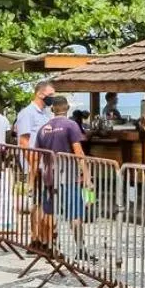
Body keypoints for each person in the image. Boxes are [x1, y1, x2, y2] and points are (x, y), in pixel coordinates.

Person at [31, 95, 94, 259]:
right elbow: (78, 152)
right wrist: (87, 178)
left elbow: (37, 157)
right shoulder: (71, 125)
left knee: (50, 213)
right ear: (67, 108)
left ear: (52, 109)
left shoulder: (43, 129)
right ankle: (81, 249)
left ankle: (52, 247)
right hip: (69, 178)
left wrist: (32, 180)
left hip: (48, 178)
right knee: (75, 216)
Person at [15, 81, 56, 148]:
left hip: (44, 157)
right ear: (39, 94)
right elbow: (23, 142)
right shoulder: (27, 113)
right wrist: (33, 159)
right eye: (50, 95)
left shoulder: (46, 114)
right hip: (32, 157)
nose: (52, 98)